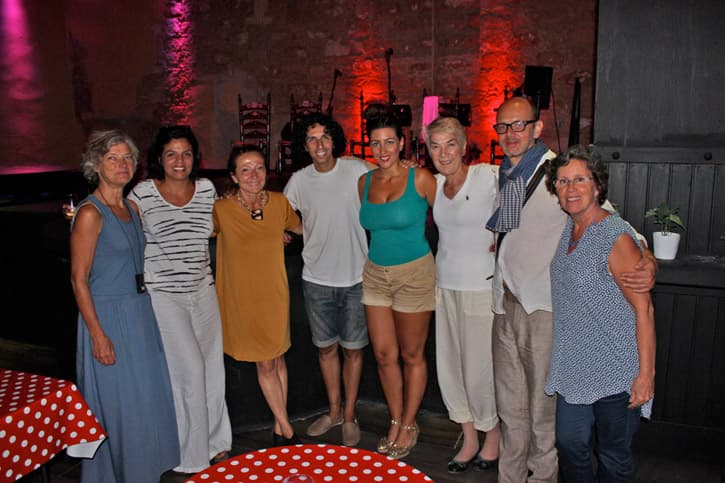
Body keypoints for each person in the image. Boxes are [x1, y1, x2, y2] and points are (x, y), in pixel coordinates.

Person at [487, 97, 656, 483]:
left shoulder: (560, 173)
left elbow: (620, 227)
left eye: (519, 125)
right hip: (506, 305)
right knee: (511, 413)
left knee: (545, 422)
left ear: (537, 128)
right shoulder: (507, 175)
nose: (511, 134)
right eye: (503, 127)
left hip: (545, 312)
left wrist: (649, 262)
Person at [70, 130, 179, 482]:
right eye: (113, 158)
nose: (122, 164)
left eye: (128, 157)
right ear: (96, 165)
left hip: (138, 312)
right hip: (107, 318)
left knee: (146, 400)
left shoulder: (131, 207)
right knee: (120, 407)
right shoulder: (90, 213)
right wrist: (97, 335)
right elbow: (78, 279)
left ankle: (144, 472)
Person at [544, 145, 655, 482]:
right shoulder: (570, 229)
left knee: (613, 455)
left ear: (597, 186)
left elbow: (644, 309)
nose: (571, 188)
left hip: (615, 368)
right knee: (569, 444)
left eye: (580, 179)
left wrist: (646, 375)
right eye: (563, 182)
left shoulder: (613, 235)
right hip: (574, 367)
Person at [128, 125, 232, 473]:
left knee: (212, 371)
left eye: (186, 153)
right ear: (159, 157)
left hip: (203, 290)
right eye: (171, 153)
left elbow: (227, 224)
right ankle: (191, 455)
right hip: (164, 296)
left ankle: (217, 443)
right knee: (189, 372)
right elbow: (117, 228)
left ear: (195, 158)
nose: (179, 160)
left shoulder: (205, 190)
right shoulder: (142, 194)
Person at [283, 113, 371, 446]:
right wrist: (287, 232)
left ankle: (349, 415)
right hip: (316, 279)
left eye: (324, 137)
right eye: (311, 139)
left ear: (334, 140)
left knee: (352, 352)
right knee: (326, 351)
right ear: (305, 146)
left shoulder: (356, 170)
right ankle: (333, 410)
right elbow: (281, 217)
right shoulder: (299, 181)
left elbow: (388, 183)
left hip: (355, 277)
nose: (319, 145)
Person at [357, 112, 437, 460]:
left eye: (390, 141)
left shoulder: (420, 178)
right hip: (375, 274)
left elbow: (449, 216)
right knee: (384, 355)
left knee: (412, 355)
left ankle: (408, 423)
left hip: (414, 274)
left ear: (402, 142)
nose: (383, 148)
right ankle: (395, 417)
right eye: (376, 142)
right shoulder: (363, 182)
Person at [213, 145, 302, 446]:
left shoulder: (279, 203)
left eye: (259, 167)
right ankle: (288, 430)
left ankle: (279, 426)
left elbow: (303, 228)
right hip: (243, 298)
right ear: (234, 177)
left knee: (276, 358)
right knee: (265, 363)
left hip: (275, 294)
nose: (254, 175)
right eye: (245, 169)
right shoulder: (221, 210)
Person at [426, 117, 501, 473]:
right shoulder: (435, 184)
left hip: (480, 289)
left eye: (450, 144)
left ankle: (493, 436)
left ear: (464, 145)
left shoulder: (487, 176)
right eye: (435, 146)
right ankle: (469, 437)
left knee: (479, 371)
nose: (443, 153)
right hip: (445, 287)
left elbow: (539, 195)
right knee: (451, 369)